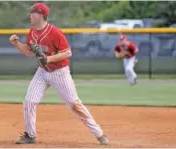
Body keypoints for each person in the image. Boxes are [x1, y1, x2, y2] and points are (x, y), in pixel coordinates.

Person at [9, 2, 108, 145]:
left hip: (59, 72)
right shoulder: (32, 32)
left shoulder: (55, 33)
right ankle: (30, 135)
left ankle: (99, 134)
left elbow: (68, 52)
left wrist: (49, 58)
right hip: (42, 71)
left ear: (41, 15)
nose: (30, 15)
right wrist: (17, 44)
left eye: (33, 13)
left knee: (74, 104)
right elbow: (29, 52)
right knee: (29, 101)